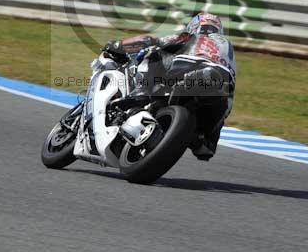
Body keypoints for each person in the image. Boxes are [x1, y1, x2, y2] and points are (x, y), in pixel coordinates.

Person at [98, 12, 236, 161]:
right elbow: (229, 98)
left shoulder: (192, 36)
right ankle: (205, 141)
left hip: (189, 71)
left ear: (195, 26)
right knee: (208, 138)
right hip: (220, 91)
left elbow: (150, 40)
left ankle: (141, 91)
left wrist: (119, 46)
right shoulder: (228, 49)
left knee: (153, 53)